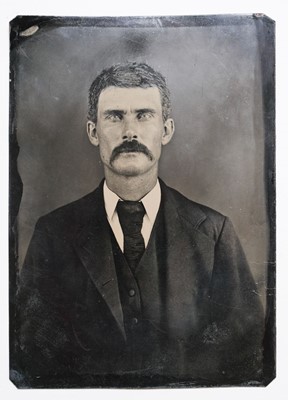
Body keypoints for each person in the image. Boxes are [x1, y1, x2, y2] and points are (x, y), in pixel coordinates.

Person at [16, 62, 264, 388]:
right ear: (93, 132)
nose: (129, 131)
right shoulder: (54, 234)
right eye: (115, 116)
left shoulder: (214, 233)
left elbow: (244, 354)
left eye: (144, 115)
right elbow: (32, 354)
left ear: (166, 130)